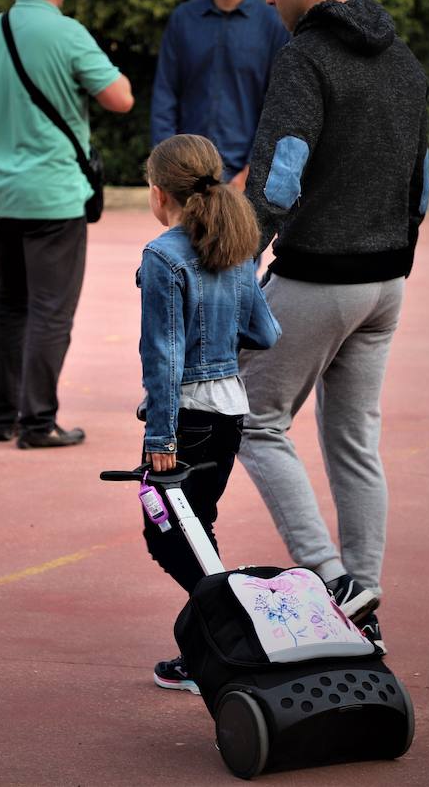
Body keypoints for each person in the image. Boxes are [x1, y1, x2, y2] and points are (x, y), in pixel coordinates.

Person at [238, 0, 429, 654]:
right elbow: (420, 189)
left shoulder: (306, 58)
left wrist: (235, 266)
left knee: (256, 418)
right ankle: (366, 596)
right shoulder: (405, 61)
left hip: (321, 275)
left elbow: (279, 178)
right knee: (354, 439)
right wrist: (395, 259)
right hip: (387, 284)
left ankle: (330, 581)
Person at [0, 0, 134, 448]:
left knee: (8, 303)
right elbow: (120, 99)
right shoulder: (68, 33)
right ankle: (38, 422)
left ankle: (1, 417)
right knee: (51, 309)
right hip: (54, 196)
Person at [137, 134, 280, 693]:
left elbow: (164, 358)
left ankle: (232, 638)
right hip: (229, 413)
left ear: (158, 193)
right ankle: (208, 649)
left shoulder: (162, 258)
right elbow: (264, 332)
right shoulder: (240, 245)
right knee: (197, 527)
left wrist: (160, 437)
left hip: (187, 419)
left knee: (167, 535)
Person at [150, 0, 288, 191]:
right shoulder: (183, 20)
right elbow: (164, 97)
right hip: (186, 177)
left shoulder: (272, 24)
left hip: (245, 181)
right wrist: (168, 166)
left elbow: (277, 106)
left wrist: (251, 170)